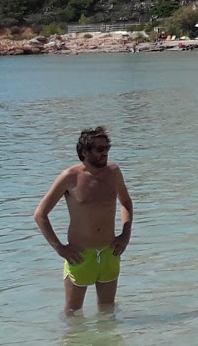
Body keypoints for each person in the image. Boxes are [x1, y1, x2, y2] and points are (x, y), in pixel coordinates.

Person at [34, 126, 134, 314]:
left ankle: (106, 343)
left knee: (107, 311)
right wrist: (60, 248)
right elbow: (40, 215)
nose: (105, 153)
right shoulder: (69, 177)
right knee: (73, 313)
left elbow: (126, 202)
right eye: (100, 149)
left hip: (109, 253)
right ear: (84, 152)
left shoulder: (114, 173)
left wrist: (125, 235)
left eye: (107, 148)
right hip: (80, 256)